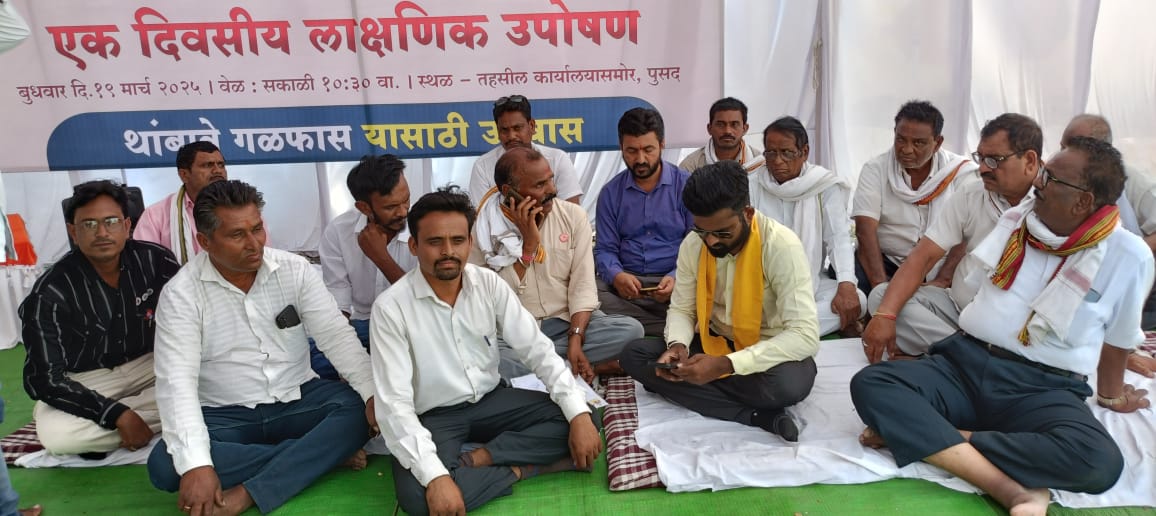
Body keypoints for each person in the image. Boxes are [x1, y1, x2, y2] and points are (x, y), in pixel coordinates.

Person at [851, 137, 1153, 516]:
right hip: (963, 365)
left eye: (1049, 178)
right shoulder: (1015, 222)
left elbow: (1118, 340)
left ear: (1082, 202)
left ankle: (946, 438)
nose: (1037, 182)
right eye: (1042, 172)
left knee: (1098, 461)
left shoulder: (1129, 255)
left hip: (1043, 390)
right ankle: (1009, 489)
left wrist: (1111, 397)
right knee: (873, 383)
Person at [148, 180, 376, 516]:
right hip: (224, 414)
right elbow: (176, 383)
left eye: (257, 229)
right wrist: (197, 465)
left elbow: (336, 336)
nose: (254, 244)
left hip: (298, 399)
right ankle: (320, 456)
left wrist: (371, 395)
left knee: (359, 409)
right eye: (237, 235)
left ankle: (250, 492)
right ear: (205, 241)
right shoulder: (180, 294)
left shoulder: (294, 270)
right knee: (166, 465)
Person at [372, 187, 602, 515]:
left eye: (457, 240)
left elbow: (537, 350)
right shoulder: (391, 308)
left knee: (584, 417)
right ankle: (520, 469)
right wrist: (436, 478)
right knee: (417, 498)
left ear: (470, 242)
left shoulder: (488, 284)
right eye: (435, 242)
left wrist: (577, 415)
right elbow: (394, 405)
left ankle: (479, 459)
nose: (448, 251)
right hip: (435, 416)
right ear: (414, 246)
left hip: (492, 400)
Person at [620, 161, 820, 441]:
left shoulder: (780, 246)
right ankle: (756, 415)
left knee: (787, 386)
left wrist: (726, 365)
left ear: (747, 213)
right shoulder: (693, 244)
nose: (712, 242)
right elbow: (682, 308)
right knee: (635, 356)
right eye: (703, 231)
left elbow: (804, 335)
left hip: (768, 349)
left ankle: (690, 387)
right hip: (713, 342)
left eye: (723, 233)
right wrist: (678, 346)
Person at [863, 114, 1041, 361]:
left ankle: (955, 356)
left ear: (1030, 161)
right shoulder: (972, 193)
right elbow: (923, 256)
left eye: (994, 160)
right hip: (957, 309)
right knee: (882, 298)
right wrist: (886, 315)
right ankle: (970, 357)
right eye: (980, 158)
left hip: (1009, 327)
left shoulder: (1054, 205)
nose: (983, 169)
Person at [20, 180, 179, 456]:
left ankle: (93, 415)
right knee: (58, 437)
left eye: (111, 222)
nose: (102, 232)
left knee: (215, 381)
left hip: (151, 363)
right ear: (73, 231)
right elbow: (43, 379)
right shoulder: (51, 291)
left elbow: (189, 321)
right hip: (88, 376)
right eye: (89, 224)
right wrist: (117, 414)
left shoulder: (156, 261)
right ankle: (155, 414)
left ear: (127, 226)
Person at [472, 147, 643, 381]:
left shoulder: (573, 217)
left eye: (550, 179)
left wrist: (576, 336)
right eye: (540, 185)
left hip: (565, 322)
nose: (552, 190)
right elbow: (491, 299)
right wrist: (528, 248)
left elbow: (583, 286)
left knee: (631, 331)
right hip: (513, 332)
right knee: (488, 357)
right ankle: (573, 364)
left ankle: (548, 364)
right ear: (508, 192)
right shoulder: (482, 231)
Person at [749, 116, 864, 336]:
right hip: (760, 284)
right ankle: (796, 331)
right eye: (771, 153)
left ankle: (776, 331)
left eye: (786, 153)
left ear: (804, 152)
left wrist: (846, 284)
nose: (778, 161)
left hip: (809, 282)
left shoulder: (823, 185)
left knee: (858, 299)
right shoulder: (751, 185)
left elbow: (839, 239)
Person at [1061, 114, 1156, 375]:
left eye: (1074, 146)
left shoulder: (1136, 183)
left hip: (1134, 286)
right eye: (1063, 146)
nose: (1065, 152)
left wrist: (1122, 257)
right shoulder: (1062, 180)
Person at [852, 100, 978, 296]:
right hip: (888, 262)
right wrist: (880, 288)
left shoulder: (961, 173)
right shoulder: (875, 169)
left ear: (937, 143)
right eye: (901, 139)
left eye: (918, 143)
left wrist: (942, 280)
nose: (907, 149)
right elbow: (865, 230)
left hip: (940, 266)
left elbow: (968, 233)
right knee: (850, 279)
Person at [594, 108, 694, 336]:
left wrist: (676, 277)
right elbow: (605, 249)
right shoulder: (610, 193)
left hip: (677, 282)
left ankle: (638, 329)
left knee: (709, 287)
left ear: (662, 144)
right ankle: (671, 328)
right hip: (629, 288)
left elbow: (697, 245)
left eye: (648, 150)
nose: (640, 159)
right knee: (591, 292)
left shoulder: (686, 186)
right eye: (631, 151)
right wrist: (617, 276)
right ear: (621, 148)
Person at [315, 154, 416, 379]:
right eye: (391, 206)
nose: (403, 212)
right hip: (363, 327)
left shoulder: (423, 227)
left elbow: (424, 302)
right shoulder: (338, 232)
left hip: (413, 326)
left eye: (406, 200)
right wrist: (345, 358)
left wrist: (381, 258)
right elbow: (339, 308)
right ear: (364, 208)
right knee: (313, 357)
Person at [467, 95, 582, 206]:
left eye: (517, 128)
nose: (511, 136)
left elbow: (571, 212)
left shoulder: (557, 159)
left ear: (531, 126)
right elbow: (481, 214)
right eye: (504, 130)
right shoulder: (482, 167)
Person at [135, 141, 228, 264]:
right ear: (184, 175)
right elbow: (145, 263)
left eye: (221, 165)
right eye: (207, 165)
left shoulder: (242, 208)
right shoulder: (155, 216)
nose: (218, 171)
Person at [679, 97, 765, 173]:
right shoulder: (691, 166)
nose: (727, 131)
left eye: (734, 124)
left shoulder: (760, 163)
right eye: (720, 124)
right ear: (709, 128)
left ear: (745, 129)